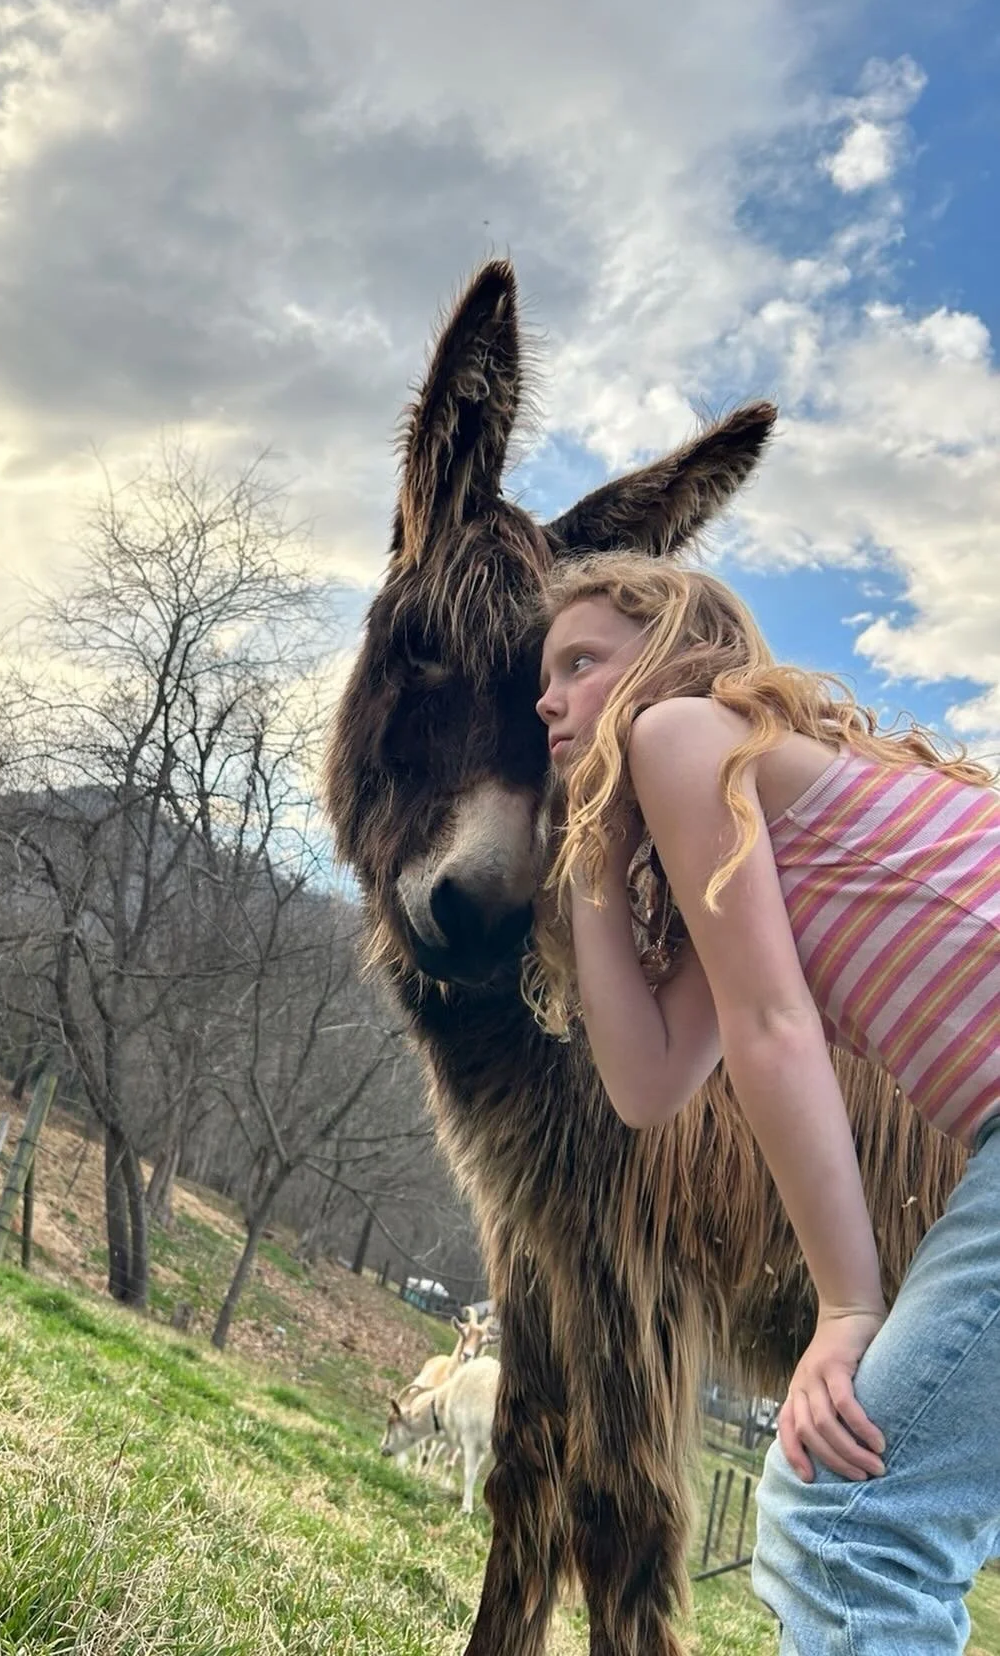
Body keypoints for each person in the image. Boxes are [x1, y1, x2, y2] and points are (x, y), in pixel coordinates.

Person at [530, 549, 1000, 1655]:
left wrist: (848, 1305)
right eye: (541, 681)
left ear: (670, 651)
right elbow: (649, 1080)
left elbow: (774, 1029)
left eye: (580, 661)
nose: (547, 697)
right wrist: (595, 849)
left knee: (848, 1514)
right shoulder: (747, 819)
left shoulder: (680, 732)